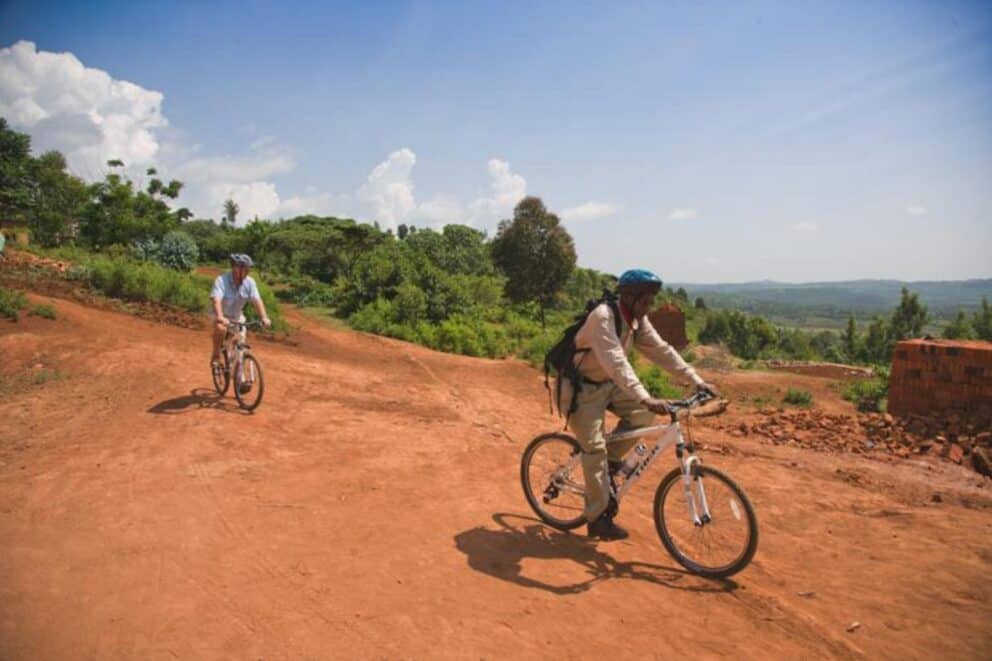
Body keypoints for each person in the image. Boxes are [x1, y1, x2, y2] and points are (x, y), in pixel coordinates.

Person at [559, 269, 718, 541]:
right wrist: (645, 395)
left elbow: (663, 351)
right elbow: (616, 362)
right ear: (629, 297)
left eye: (651, 301)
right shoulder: (603, 318)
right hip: (580, 388)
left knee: (644, 415)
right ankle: (597, 518)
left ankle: (608, 464)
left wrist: (697, 381)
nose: (650, 306)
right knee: (594, 448)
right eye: (646, 300)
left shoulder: (636, 320)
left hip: (608, 384)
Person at [210, 254, 271, 367]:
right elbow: (216, 300)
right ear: (235, 267)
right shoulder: (221, 280)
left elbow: (257, 300)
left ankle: (239, 376)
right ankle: (216, 355)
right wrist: (220, 316)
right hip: (221, 315)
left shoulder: (250, 282)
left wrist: (264, 317)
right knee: (220, 329)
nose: (247, 271)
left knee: (240, 344)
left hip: (237, 317)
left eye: (248, 268)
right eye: (244, 268)